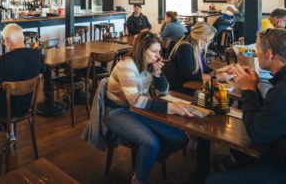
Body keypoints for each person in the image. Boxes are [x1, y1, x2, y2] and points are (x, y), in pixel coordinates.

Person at [105, 31, 192, 184]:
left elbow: (164, 92)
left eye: (159, 51)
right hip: (117, 112)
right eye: (154, 51)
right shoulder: (127, 65)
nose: (158, 56)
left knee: (180, 138)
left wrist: (158, 74)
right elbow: (134, 101)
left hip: (139, 109)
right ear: (141, 50)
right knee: (151, 142)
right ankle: (140, 178)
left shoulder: (149, 65)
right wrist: (169, 108)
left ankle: (147, 159)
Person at [206, 28, 286, 183]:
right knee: (236, 148)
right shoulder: (279, 85)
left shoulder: (281, 91)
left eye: (257, 50)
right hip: (276, 145)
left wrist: (248, 89)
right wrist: (253, 86)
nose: (255, 54)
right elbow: (268, 114)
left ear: (269, 54)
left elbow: (257, 133)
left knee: (211, 180)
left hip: (280, 165)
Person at [168, 22, 228, 95]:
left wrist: (213, 72)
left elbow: (204, 68)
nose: (207, 43)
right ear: (200, 37)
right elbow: (189, 75)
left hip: (191, 85)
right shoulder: (184, 48)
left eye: (209, 40)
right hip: (181, 88)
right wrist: (216, 77)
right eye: (207, 40)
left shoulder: (198, 47)